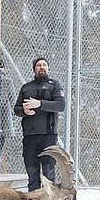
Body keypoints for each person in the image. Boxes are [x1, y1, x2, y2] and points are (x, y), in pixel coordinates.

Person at [13, 57, 65, 192]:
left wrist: (40, 103)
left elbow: (60, 105)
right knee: (32, 174)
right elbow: (16, 109)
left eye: (44, 65)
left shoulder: (54, 85)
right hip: (30, 136)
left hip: (48, 135)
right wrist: (23, 110)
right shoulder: (26, 87)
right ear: (34, 69)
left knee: (49, 174)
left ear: (48, 68)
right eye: (38, 65)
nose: (41, 67)